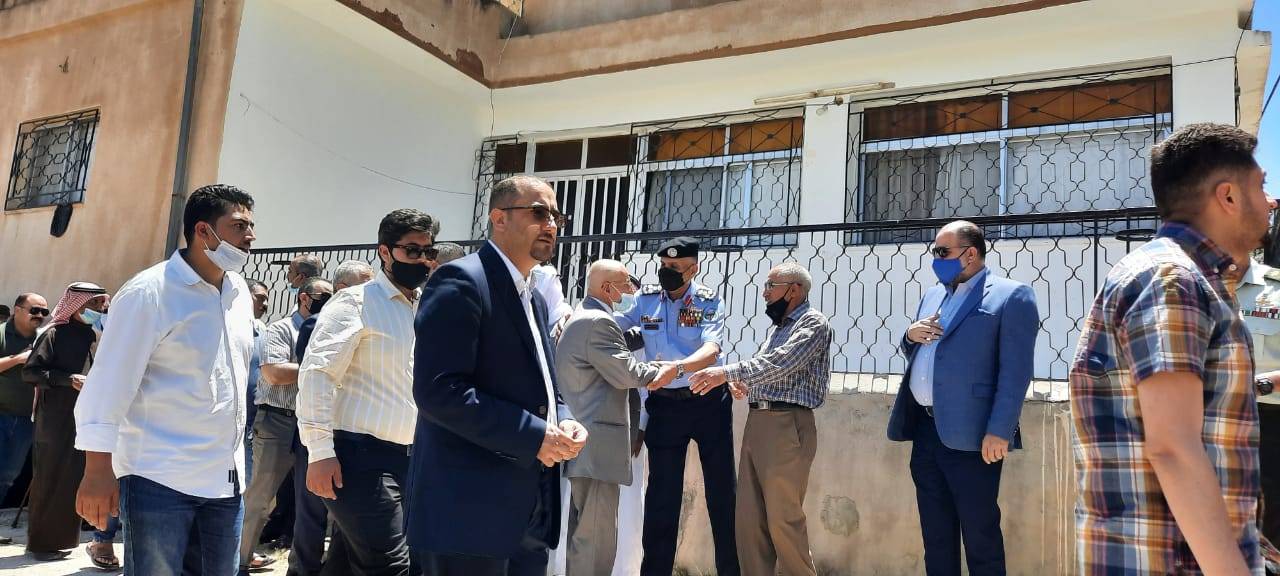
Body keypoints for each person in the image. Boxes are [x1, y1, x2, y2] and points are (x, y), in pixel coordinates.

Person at [1071, 123, 1276, 575]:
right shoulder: (1174, 280)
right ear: (1228, 197)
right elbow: (1174, 449)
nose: (1270, 201)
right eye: (1261, 186)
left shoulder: (1186, 278)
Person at [74, 184, 257, 576]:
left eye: (251, 226)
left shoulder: (238, 292)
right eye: (240, 225)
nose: (251, 236)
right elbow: (108, 384)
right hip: (159, 478)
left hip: (225, 481)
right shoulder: (149, 293)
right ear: (203, 231)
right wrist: (97, 470)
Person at [410, 175, 587, 575]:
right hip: (468, 512)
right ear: (499, 218)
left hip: (530, 506)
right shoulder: (462, 281)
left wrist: (564, 418)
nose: (551, 225)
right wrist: (534, 435)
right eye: (538, 213)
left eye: (556, 216)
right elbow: (440, 391)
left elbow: (544, 384)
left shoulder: (535, 297)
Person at [887, 220, 1038, 576]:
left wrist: (1000, 430)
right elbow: (927, 353)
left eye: (943, 252)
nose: (936, 260)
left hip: (973, 437)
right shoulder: (933, 295)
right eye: (934, 252)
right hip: (926, 431)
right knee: (936, 536)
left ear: (970, 254)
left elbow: (1015, 372)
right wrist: (909, 336)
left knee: (980, 535)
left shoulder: (1011, 296)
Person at [297, 209, 437, 576]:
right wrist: (319, 452)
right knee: (392, 566)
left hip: (408, 459)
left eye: (428, 251)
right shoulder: (354, 302)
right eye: (412, 250)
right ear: (385, 252)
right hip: (357, 459)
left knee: (346, 566)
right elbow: (317, 375)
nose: (422, 259)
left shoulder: (423, 307)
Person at [689, 262, 833, 576]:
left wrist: (726, 373)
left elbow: (782, 363)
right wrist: (745, 385)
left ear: (794, 289)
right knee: (750, 520)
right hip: (759, 421)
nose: (765, 293)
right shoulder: (779, 328)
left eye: (771, 285)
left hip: (787, 425)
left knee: (783, 520)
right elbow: (768, 371)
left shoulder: (812, 322)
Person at [615, 236, 738, 576]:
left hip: (707, 401)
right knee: (661, 498)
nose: (667, 271)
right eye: (665, 265)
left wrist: (679, 368)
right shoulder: (645, 300)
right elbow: (615, 325)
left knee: (722, 493)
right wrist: (580, 318)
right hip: (665, 406)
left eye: (676, 267)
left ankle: (731, 570)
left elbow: (712, 349)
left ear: (693, 269)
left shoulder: (707, 300)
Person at [555, 259, 676, 576]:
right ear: (607, 288)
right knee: (596, 538)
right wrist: (664, 371)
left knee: (585, 535)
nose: (631, 292)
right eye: (625, 285)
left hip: (588, 441)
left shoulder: (585, 316)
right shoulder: (598, 322)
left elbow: (615, 353)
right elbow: (626, 372)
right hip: (597, 443)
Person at [239, 277, 333, 575]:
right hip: (278, 421)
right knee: (259, 498)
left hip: (313, 423)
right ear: (305, 298)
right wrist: (319, 369)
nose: (330, 300)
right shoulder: (281, 329)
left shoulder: (329, 330)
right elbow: (275, 373)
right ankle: (238, 561)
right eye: (324, 295)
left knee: (313, 502)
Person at [22, 284, 119, 567]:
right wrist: (68, 379)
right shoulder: (52, 333)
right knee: (50, 476)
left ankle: (64, 540)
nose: (99, 309)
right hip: (54, 417)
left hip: (83, 415)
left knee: (73, 477)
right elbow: (31, 372)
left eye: (101, 304)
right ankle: (41, 543)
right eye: (94, 304)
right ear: (76, 305)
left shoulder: (92, 335)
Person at [289, 259, 372, 576]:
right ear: (342, 288)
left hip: (352, 436)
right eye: (364, 283)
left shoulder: (373, 321)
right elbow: (314, 378)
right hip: (319, 434)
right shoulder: (318, 323)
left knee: (346, 519)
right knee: (311, 512)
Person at [1239, 259, 1280, 548]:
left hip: (1270, 420)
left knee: (1270, 525)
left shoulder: (1275, 288)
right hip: (1203, 418)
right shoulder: (1187, 288)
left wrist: (1259, 384)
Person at [0, 292, 47, 545]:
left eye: (44, 312)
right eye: (34, 310)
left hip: (26, 420)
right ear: (17, 310)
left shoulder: (44, 338)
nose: (39, 316)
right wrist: (17, 359)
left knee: (8, 475)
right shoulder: (2, 333)